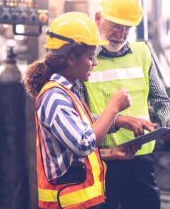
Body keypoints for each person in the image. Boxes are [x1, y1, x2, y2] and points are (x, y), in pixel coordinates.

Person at [79, 0, 170, 208]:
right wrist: (118, 120)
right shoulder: (84, 59)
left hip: (141, 162)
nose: (120, 35)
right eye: (115, 26)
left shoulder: (143, 53)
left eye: (127, 28)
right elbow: (79, 115)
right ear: (98, 18)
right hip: (102, 161)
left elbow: (161, 99)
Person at [24, 12, 141, 209]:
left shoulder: (69, 92)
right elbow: (83, 143)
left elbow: (77, 143)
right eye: (90, 57)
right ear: (71, 58)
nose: (94, 63)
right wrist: (113, 107)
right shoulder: (54, 97)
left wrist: (115, 150)